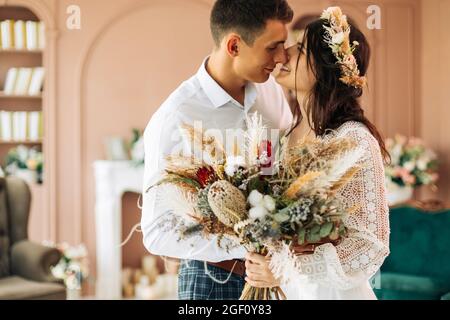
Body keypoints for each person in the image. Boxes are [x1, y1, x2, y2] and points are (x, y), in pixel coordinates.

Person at [141, 0, 294, 300]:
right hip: (211, 283)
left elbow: (287, 170)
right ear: (234, 45)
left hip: (277, 280)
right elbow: (157, 232)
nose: (281, 58)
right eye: (272, 47)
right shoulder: (176, 117)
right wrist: (250, 244)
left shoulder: (272, 93)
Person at [245, 7, 390, 300]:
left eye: (298, 49)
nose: (283, 54)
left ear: (324, 67)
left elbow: (370, 244)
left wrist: (289, 268)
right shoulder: (284, 137)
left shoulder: (354, 140)